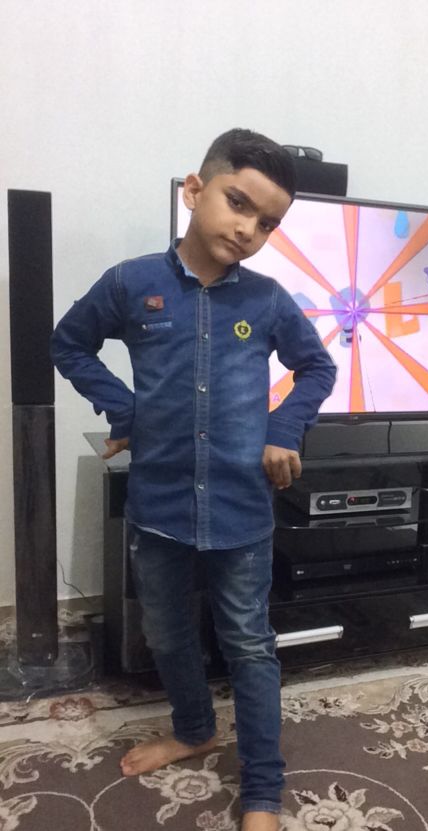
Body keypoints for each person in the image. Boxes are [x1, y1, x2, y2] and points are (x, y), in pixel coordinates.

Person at [51, 128, 337, 831]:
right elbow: (68, 342)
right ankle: (193, 729)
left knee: (248, 643)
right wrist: (123, 408)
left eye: (267, 223)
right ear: (194, 189)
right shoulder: (131, 283)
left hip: (242, 512)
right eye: (238, 202)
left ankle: (262, 789)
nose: (248, 228)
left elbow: (317, 367)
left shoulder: (267, 301)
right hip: (159, 508)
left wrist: (283, 428)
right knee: (168, 633)